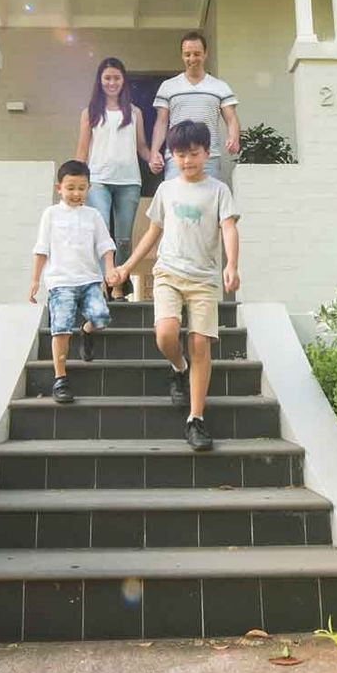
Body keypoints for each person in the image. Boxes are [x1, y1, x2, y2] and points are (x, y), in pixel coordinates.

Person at [112, 120, 239, 452]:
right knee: (166, 335)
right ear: (172, 157)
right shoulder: (167, 190)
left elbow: (228, 229)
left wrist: (232, 264)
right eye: (180, 155)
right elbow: (152, 233)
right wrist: (126, 266)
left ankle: (195, 419)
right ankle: (177, 367)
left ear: (206, 153)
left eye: (193, 154)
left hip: (204, 280)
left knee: (200, 343)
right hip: (168, 273)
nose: (187, 161)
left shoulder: (218, 190)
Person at [27, 160, 119, 405]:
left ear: (88, 188)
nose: (76, 193)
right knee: (61, 330)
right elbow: (41, 249)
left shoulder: (94, 215)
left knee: (101, 317)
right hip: (60, 282)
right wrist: (35, 280)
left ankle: (86, 331)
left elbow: (106, 246)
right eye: (70, 188)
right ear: (60, 188)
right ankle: (60, 379)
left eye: (81, 188)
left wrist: (110, 269)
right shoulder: (51, 214)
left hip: (90, 280)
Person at [75, 57, 148, 288]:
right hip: (98, 180)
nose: (112, 82)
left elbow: (142, 147)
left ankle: (119, 285)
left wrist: (153, 158)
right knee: (102, 232)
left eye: (116, 77)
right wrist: (76, 183)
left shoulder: (134, 112)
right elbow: (82, 150)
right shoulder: (90, 113)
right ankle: (101, 284)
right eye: (107, 77)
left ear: (123, 80)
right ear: (100, 80)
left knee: (124, 239)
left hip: (129, 181)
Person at [146, 30, 240, 186]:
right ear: (182, 56)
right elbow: (161, 123)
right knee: (175, 206)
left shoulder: (220, 87)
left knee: (209, 205)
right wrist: (154, 152)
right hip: (176, 157)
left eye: (197, 54)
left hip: (208, 158)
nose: (192, 58)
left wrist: (234, 138)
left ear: (205, 54)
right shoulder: (168, 87)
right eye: (187, 54)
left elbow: (232, 119)